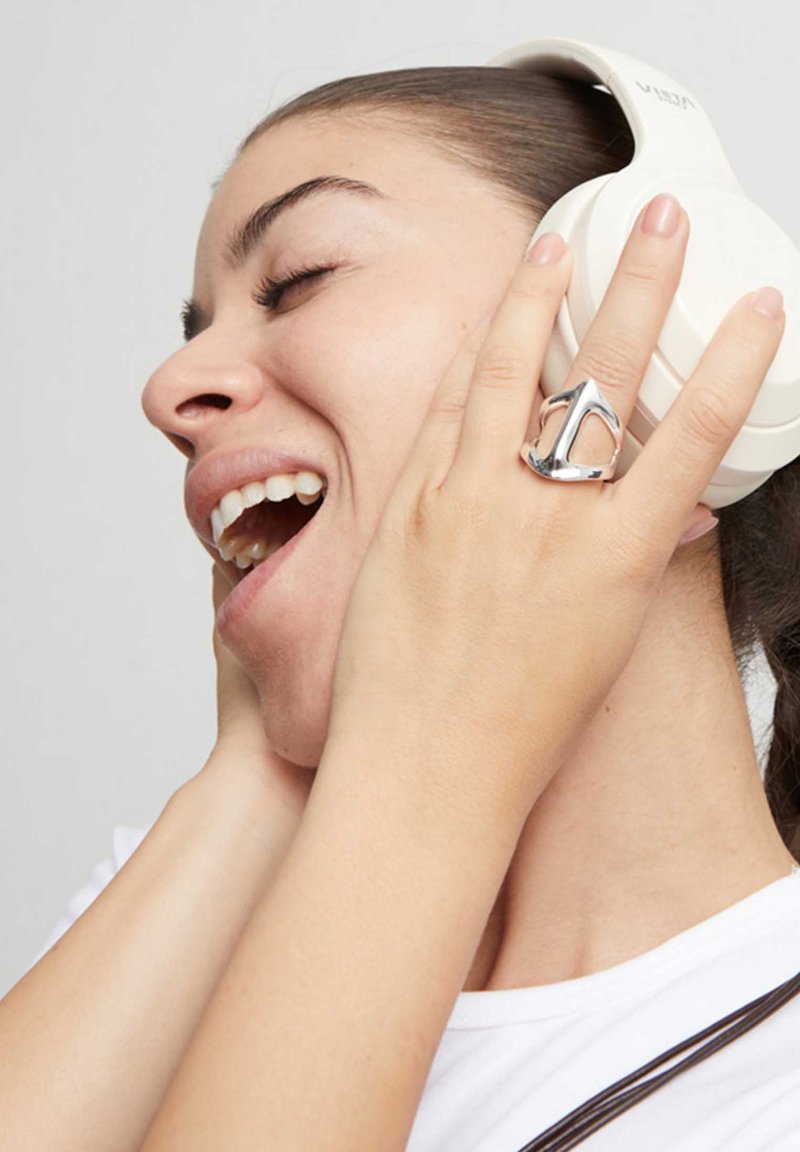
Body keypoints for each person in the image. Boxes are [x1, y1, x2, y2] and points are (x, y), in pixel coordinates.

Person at [3, 63, 799, 1151]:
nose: (168, 390)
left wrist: (433, 745)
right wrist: (258, 775)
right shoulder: (182, 925)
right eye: (198, 324)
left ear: (656, 339)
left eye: (298, 280)